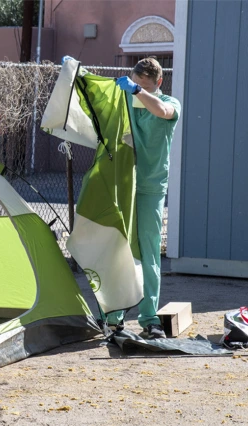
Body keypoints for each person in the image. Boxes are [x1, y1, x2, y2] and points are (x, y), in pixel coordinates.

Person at [63, 55, 181, 339]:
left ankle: (149, 318)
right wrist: (77, 73)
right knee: (118, 246)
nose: (139, 88)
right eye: (136, 83)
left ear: (158, 83)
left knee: (150, 252)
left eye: (145, 85)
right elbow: (99, 97)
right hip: (122, 183)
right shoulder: (124, 99)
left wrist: (138, 91)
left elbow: (163, 111)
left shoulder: (169, 102)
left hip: (151, 188)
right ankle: (112, 316)